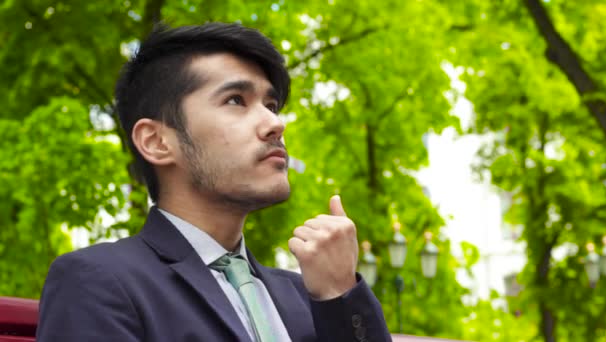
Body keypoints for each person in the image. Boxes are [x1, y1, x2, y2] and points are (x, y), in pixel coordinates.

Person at [36, 23, 391, 342]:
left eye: (272, 105)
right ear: (157, 142)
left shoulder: (308, 296)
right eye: (236, 100)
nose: (274, 123)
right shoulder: (98, 281)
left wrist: (340, 294)